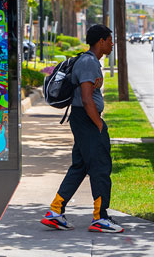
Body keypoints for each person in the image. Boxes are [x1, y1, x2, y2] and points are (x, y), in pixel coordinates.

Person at [40, 24, 124, 233]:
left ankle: (55, 211)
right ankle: (100, 217)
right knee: (101, 166)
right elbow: (87, 100)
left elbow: (87, 92)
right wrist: (98, 124)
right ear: (101, 41)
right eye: (110, 40)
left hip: (82, 119)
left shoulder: (89, 62)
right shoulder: (88, 62)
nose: (112, 44)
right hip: (87, 120)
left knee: (80, 166)